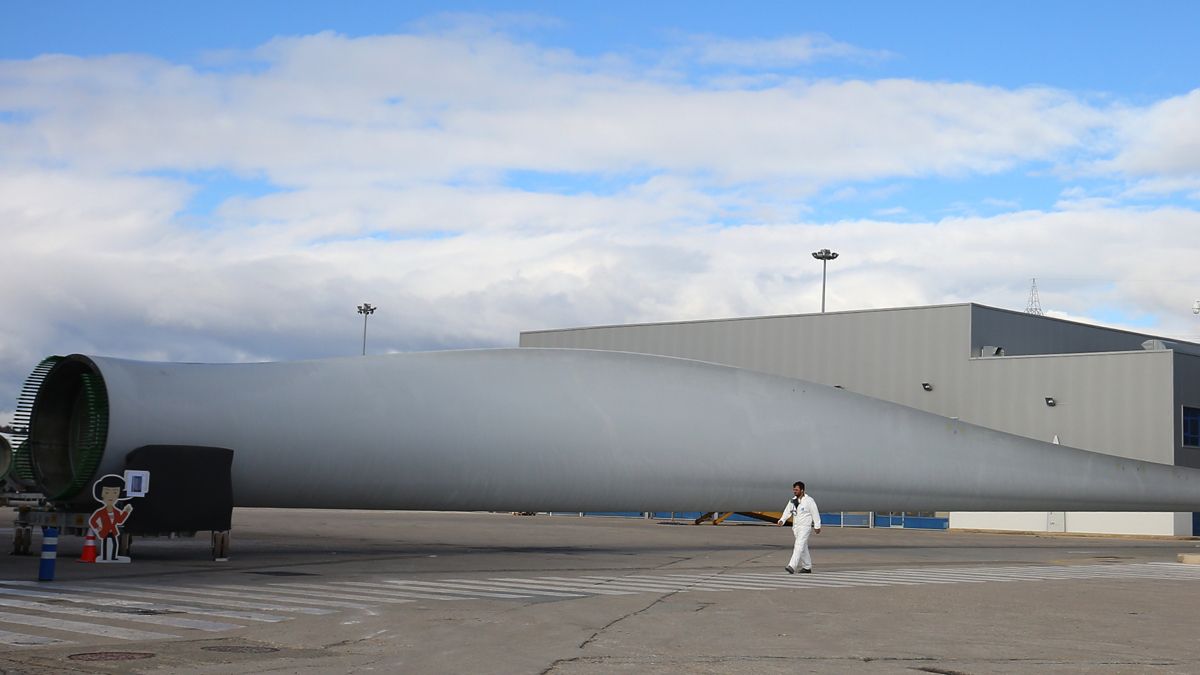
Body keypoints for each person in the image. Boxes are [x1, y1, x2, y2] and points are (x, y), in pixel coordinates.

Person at [776, 480, 821, 573]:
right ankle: (807, 567)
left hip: (805, 527)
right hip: (796, 527)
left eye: (796, 490)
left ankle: (792, 566)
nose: (795, 491)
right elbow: (787, 511)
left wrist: (817, 526)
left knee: (798, 545)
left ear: (802, 490)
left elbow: (815, 513)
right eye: (794, 490)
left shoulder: (809, 501)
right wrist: (782, 520)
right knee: (803, 547)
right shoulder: (792, 501)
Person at [88, 474, 133, 563]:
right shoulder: (101, 512)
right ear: (101, 494)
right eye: (107, 492)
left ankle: (112, 556)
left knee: (115, 543)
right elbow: (93, 521)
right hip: (104, 530)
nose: (111, 496)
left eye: (115, 493)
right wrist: (98, 528)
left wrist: (126, 511)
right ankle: (105, 556)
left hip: (112, 531)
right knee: (105, 543)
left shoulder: (116, 511)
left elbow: (120, 521)